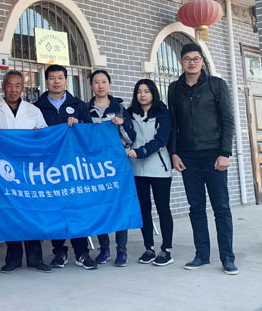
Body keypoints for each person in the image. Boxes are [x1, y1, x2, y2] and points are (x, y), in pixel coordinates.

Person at [168, 43, 237, 275]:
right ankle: (202, 255)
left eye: (196, 58)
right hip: (187, 157)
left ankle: (227, 257)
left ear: (202, 61)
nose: (192, 63)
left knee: (221, 208)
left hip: (214, 155)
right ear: (181, 62)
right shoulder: (174, 88)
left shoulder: (216, 85)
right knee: (196, 207)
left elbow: (227, 120)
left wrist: (225, 152)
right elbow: (174, 123)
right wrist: (174, 152)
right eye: (187, 59)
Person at [34, 64, 96, 270]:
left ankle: (82, 253)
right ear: (46, 81)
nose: (56, 81)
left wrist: (79, 124)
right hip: (50, 168)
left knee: (77, 209)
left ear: (66, 80)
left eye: (60, 77)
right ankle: (59, 252)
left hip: (73, 168)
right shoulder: (37, 107)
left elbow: (90, 132)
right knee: (55, 210)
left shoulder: (78, 105)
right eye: (52, 78)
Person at [0, 70, 51, 274]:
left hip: (29, 172)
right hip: (5, 172)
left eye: (18, 86)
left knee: (32, 212)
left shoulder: (33, 111)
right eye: (9, 85)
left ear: (23, 88)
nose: (13, 90)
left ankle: (35, 258)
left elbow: (45, 135)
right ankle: (13, 259)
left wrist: (38, 135)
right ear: (3, 87)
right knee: (11, 213)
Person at [87, 69, 135, 268]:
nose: (100, 85)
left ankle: (122, 250)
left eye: (104, 81)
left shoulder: (120, 109)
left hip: (118, 166)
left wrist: (122, 124)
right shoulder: (86, 110)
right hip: (95, 167)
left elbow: (132, 138)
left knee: (120, 206)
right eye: (96, 82)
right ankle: (104, 248)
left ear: (110, 84)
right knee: (100, 206)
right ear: (91, 86)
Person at [126, 79, 174, 267]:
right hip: (137, 169)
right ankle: (149, 248)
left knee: (163, 209)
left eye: (147, 91)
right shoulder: (129, 114)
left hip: (159, 168)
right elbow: (126, 135)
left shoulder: (163, 114)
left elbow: (161, 140)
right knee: (144, 210)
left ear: (153, 93)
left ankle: (166, 250)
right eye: (139, 91)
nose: (143, 95)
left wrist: (140, 151)